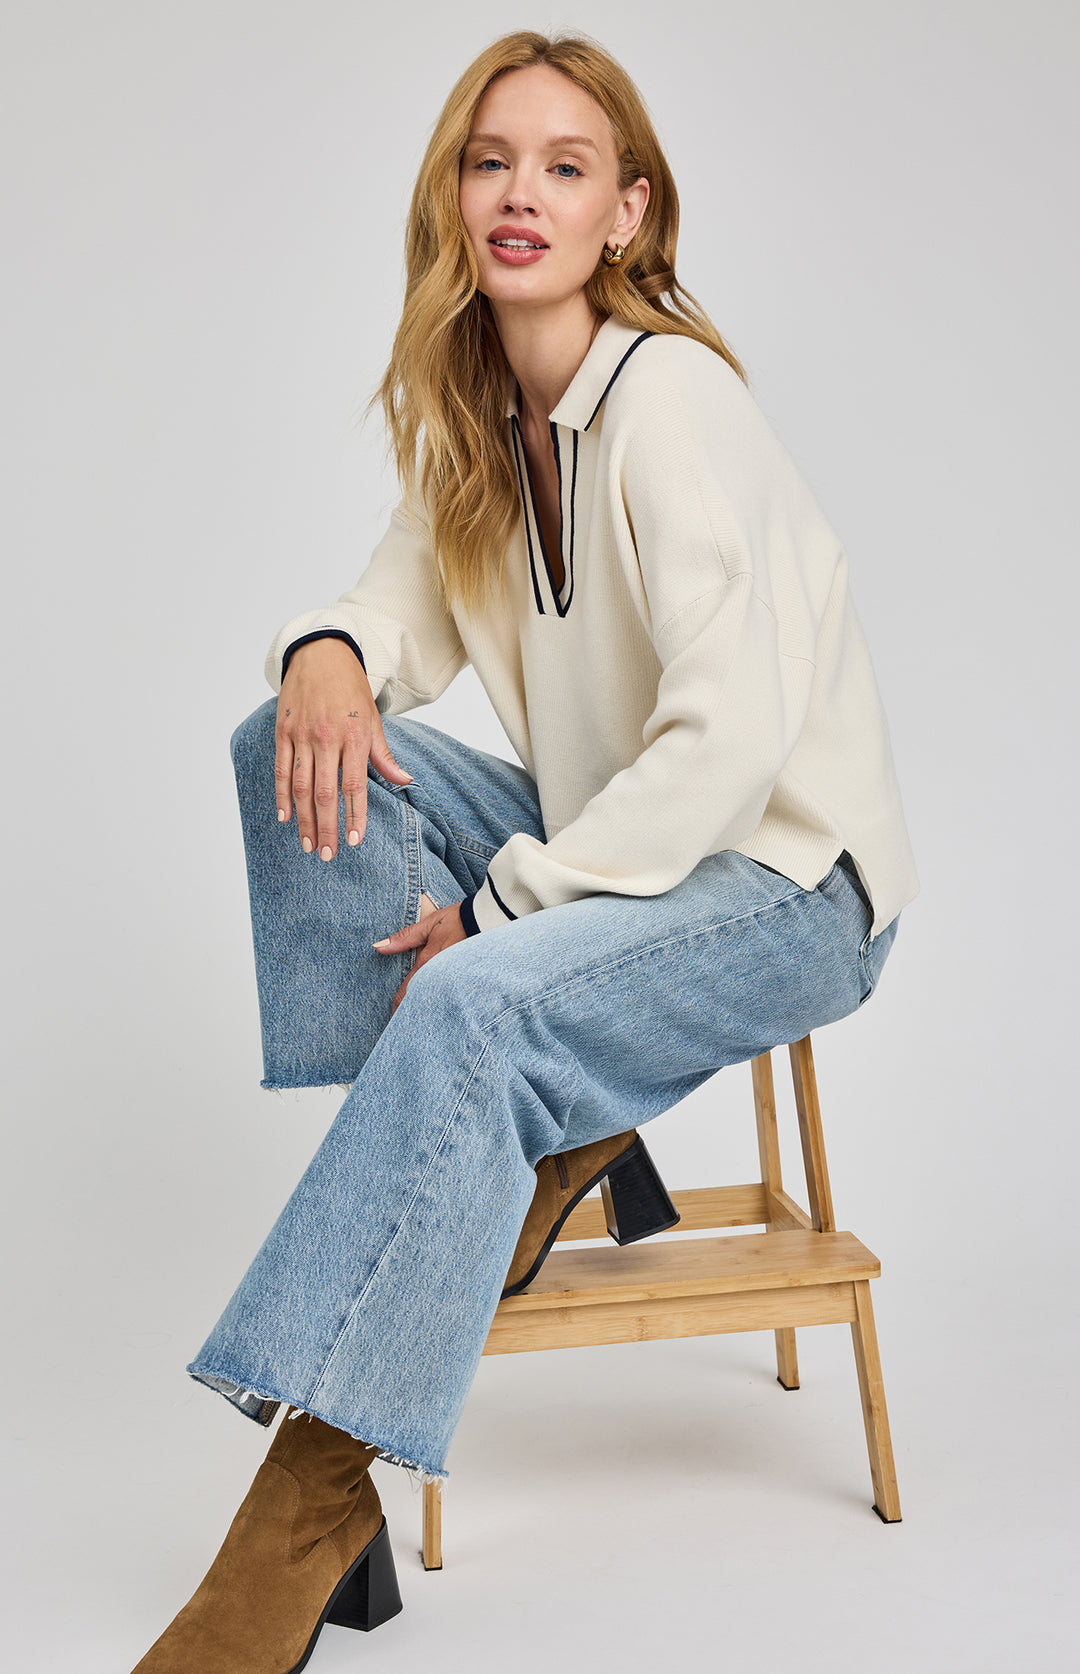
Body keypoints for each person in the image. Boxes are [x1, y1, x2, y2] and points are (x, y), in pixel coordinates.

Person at [131, 27, 919, 1674]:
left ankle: (302, 1515)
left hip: (787, 881)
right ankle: (491, 1163)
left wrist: (497, 914)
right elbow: (392, 619)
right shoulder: (481, 410)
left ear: (625, 214)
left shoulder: (675, 403)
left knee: (475, 1008)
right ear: (454, 191)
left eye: (566, 168)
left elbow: (728, 747)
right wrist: (322, 654)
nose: (521, 194)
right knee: (287, 756)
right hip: (615, 848)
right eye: (493, 160)